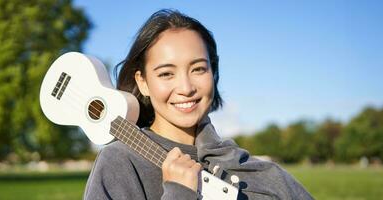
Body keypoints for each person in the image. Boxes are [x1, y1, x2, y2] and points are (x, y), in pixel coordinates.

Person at [83, 9, 313, 200]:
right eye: (166, 74)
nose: (186, 87)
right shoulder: (120, 162)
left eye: (198, 69)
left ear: (213, 73)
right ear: (142, 82)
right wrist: (178, 193)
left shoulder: (255, 172)